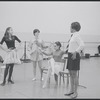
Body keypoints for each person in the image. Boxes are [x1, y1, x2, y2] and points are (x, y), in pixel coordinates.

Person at [64, 22, 85, 99]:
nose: (69, 28)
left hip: (74, 56)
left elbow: (82, 45)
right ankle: (71, 90)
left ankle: (75, 92)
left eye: (70, 27)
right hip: (70, 55)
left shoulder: (77, 35)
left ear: (73, 28)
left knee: (74, 75)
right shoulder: (73, 35)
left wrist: (76, 52)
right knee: (71, 74)